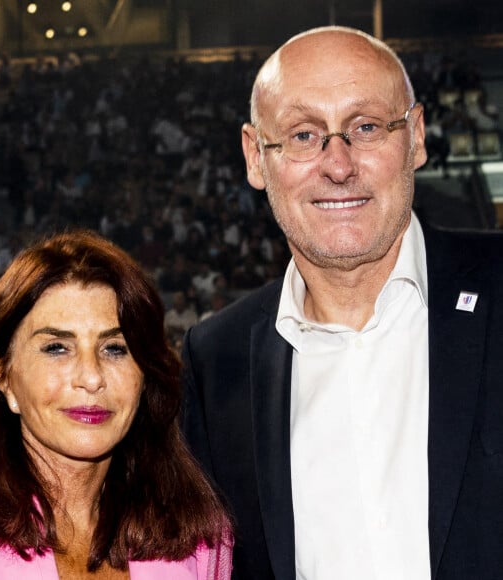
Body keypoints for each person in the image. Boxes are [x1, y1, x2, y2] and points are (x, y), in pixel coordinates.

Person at [181, 25, 503, 580]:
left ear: (417, 137)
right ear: (256, 158)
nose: (338, 164)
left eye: (367, 127)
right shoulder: (216, 362)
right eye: (303, 135)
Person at [0, 230, 232, 579]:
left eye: (115, 348)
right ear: (3, 376)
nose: (91, 377)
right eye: (57, 347)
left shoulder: (197, 537)